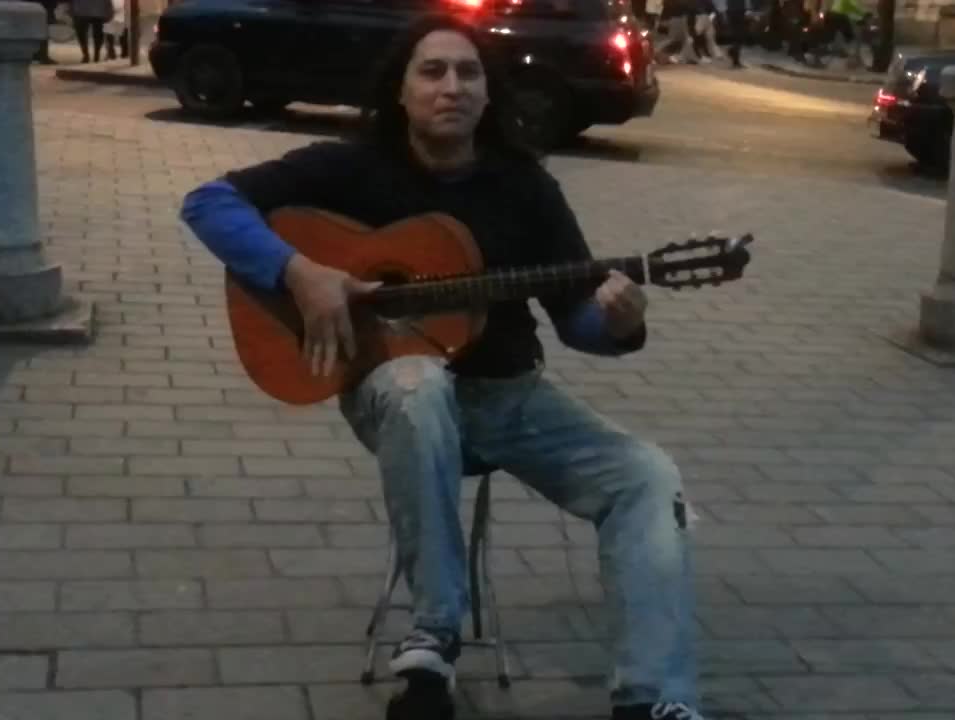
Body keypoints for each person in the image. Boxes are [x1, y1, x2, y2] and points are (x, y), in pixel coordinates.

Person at [179, 12, 706, 720]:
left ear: (489, 94)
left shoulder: (524, 188)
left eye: (468, 73)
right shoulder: (352, 168)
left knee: (649, 476)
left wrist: (618, 323)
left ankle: (653, 698)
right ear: (401, 90)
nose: (450, 87)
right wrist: (298, 271)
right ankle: (432, 641)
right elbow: (207, 202)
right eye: (432, 71)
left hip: (511, 398)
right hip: (394, 394)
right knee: (418, 381)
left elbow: (575, 313)